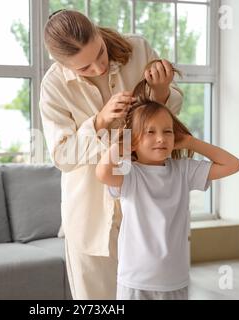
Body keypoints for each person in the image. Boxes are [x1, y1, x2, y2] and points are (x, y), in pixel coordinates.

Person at [39, 9, 183, 300]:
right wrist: (99, 122)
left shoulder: (138, 50)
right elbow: (62, 156)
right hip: (90, 215)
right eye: (85, 68)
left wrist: (161, 91)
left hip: (145, 206)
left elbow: (170, 118)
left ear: (98, 32)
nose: (99, 67)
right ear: (63, 65)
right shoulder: (53, 86)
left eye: (100, 54)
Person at [95, 74, 239, 300]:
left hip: (175, 280)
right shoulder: (130, 173)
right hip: (135, 280)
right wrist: (122, 142)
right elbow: (102, 173)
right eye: (150, 132)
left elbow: (233, 165)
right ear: (133, 140)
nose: (161, 139)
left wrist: (192, 142)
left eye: (167, 131)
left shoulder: (183, 171)